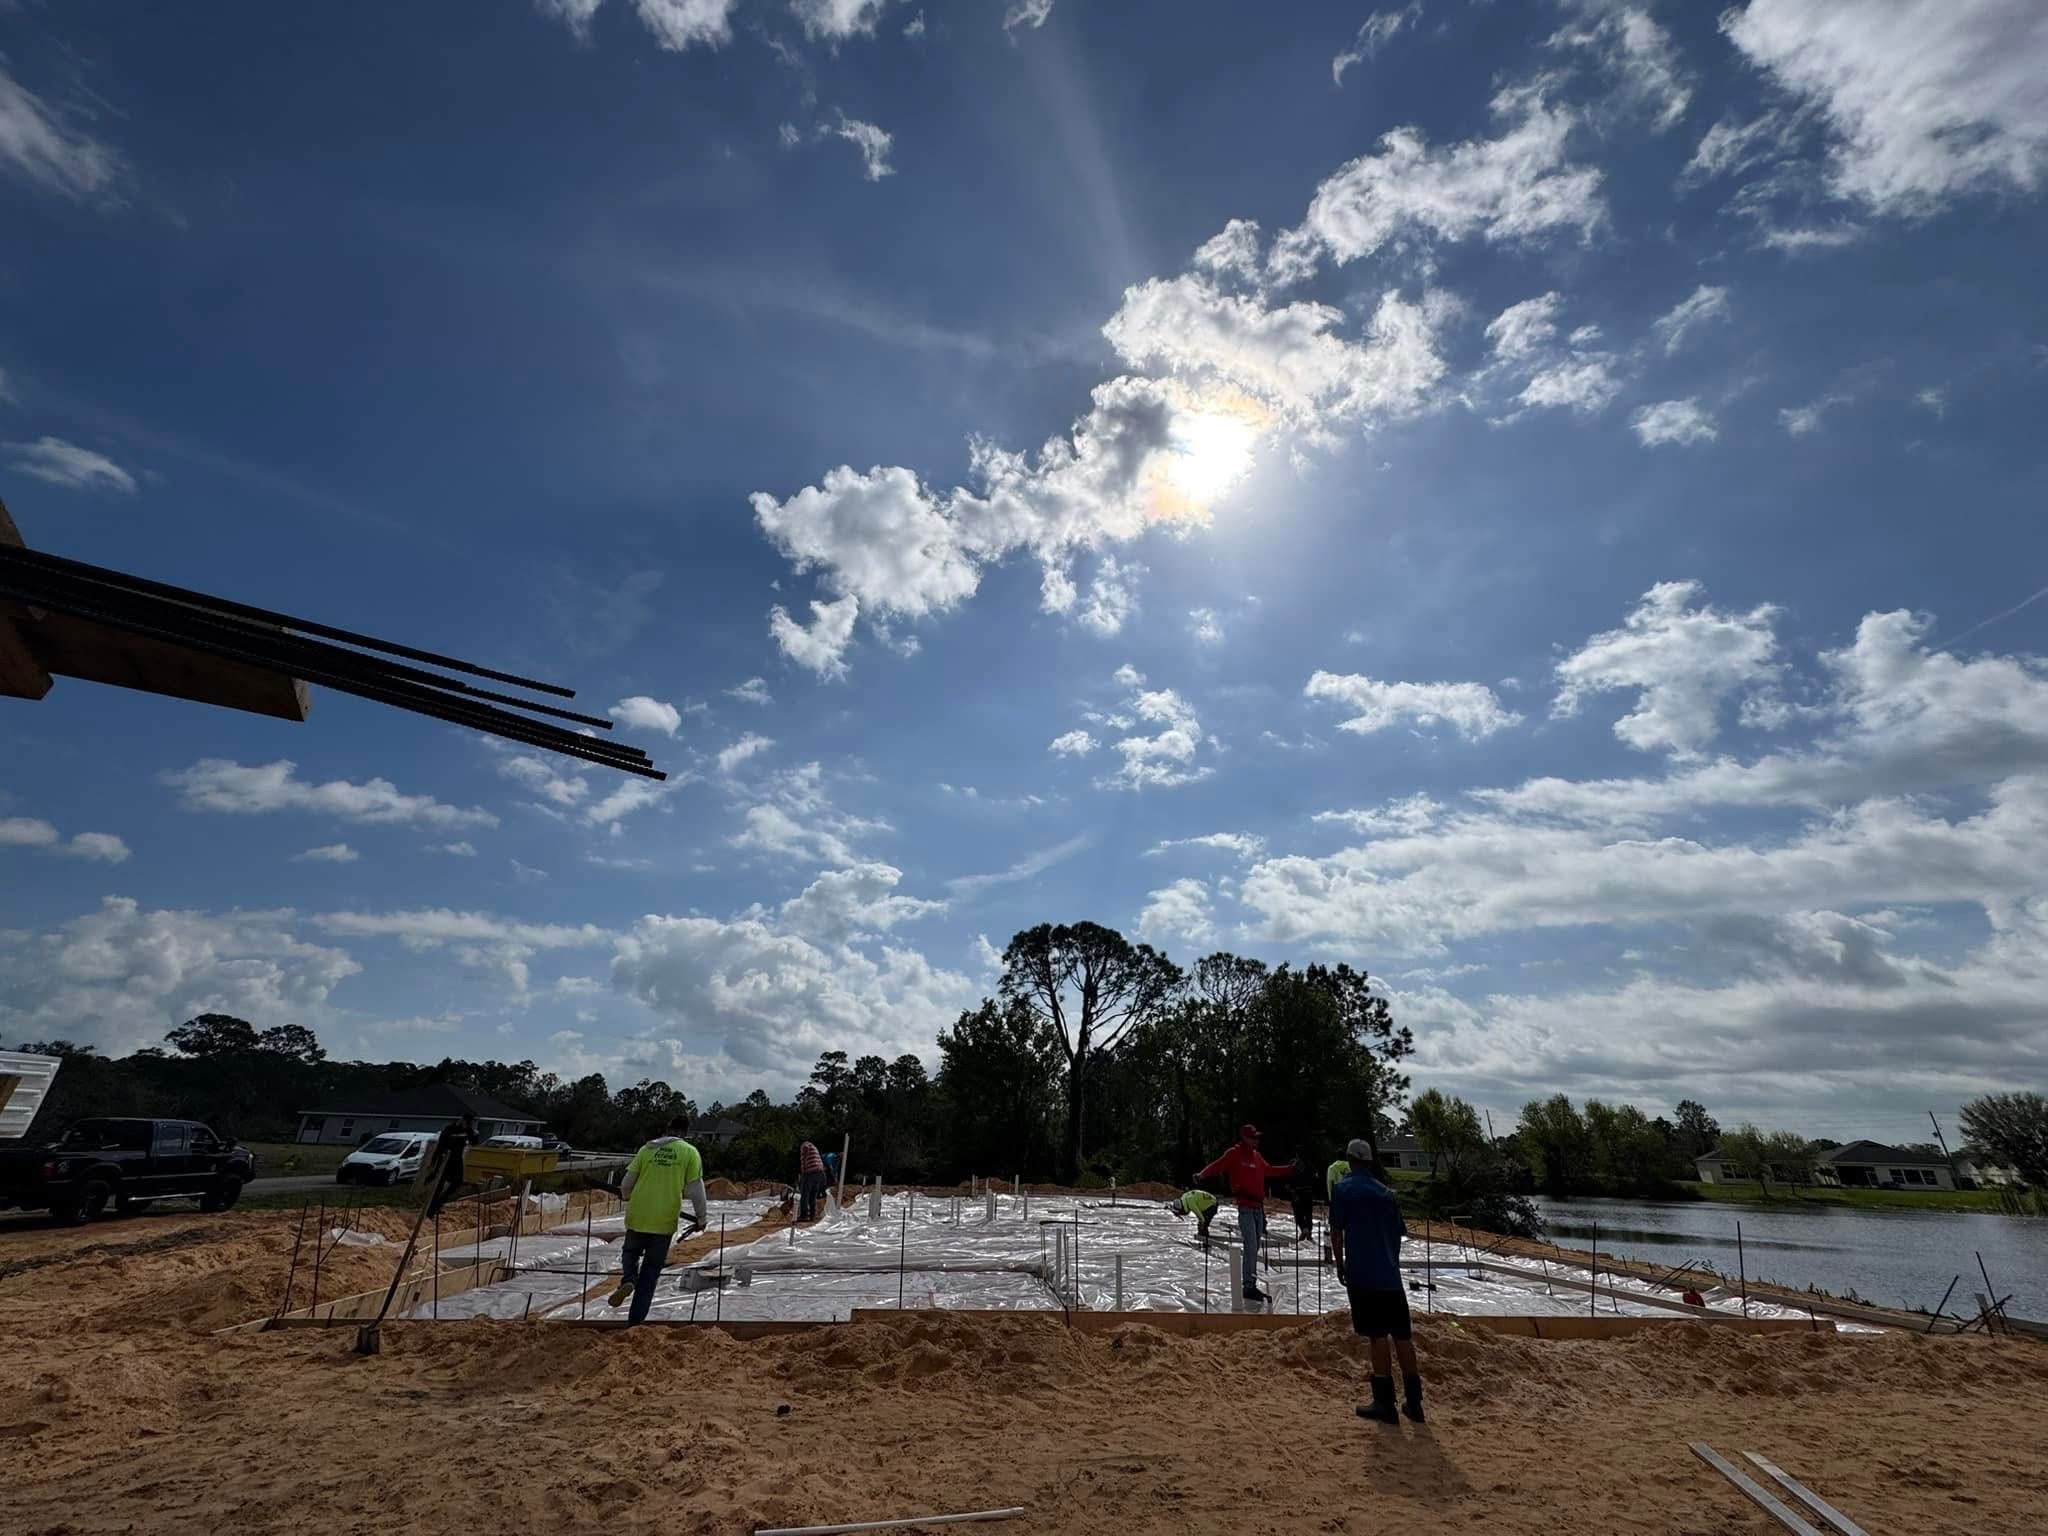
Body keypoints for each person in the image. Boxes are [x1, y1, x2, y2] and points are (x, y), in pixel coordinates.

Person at [1329, 1139, 1424, 1425]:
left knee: (1377, 1336)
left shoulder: (1343, 1190)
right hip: (1391, 1278)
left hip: (1364, 1276)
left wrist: (1340, 1264)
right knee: (1403, 1337)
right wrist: (1391, 1262)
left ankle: (1384, 1402)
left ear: (1349, 1159)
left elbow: (1336, 1233)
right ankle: (1415, 1403)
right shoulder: (1386, 1193)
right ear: (1369, 1161)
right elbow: (1397, 1235)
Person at [608, 1115, 708, 1326]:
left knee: (630, 1252)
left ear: (667, 1128)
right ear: (686, 1133)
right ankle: (635, 1322)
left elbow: (627, 1184)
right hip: (664, 1221)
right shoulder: (690, 1152)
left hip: (638, 1214)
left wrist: (626, 1196)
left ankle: (627, 1280)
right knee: (650, 1272)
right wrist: (701, 1217)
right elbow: (696, 1189)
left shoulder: (647, 1149)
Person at [1198, 1124, 1294, 1304]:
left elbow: (1270, 1170)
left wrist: (1290, 1169)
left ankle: (1251, 1282)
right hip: (1246, 1209)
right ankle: (1248, 1286)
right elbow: (1217, 1166)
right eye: (1253, 1138)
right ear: (1244, 1138)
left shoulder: (1257, 1157)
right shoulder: (1234, 1154)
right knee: (1250, 1244)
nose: (1256, 1141)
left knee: (1255, 1245)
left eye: (1257, 1138)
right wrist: (1202, 1175)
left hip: (1259, 1209)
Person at [425, 1112, 477, 1216]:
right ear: (461, 1120)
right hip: (445, 1159)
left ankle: (437, 1204)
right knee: (439, 1185)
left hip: (457, 1159)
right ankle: (430, 1210)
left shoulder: (467, 1130)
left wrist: (470, 1130)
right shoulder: (449, 1129)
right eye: (466, 1122)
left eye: (469, 1123)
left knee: (457, 1182)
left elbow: (474, 1142)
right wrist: (433, 1162)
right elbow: (440, 1146)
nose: (467, 1124)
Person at [796, 1140, 829, 1222]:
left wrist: (803, 1172)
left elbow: (804, 1158)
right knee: (813, 1195)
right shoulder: (814, 1147)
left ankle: (804, 1215)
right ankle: (812, 1215)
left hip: (810, 1173)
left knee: (805, 1194)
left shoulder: (804, 1146)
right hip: (820, 1173)